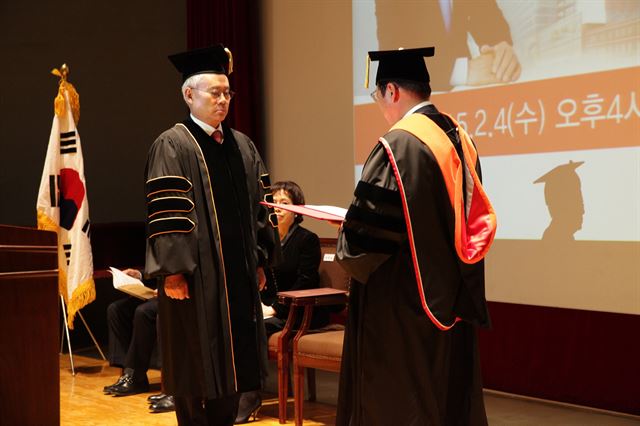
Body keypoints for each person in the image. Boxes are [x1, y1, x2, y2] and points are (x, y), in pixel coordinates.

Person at [335, 47, 497, 425]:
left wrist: (348, 231)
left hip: (401, 301)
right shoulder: (458, 135)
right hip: (447, 297)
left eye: (378, 96)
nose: (380, 106)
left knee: (401, 400)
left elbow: (365, 238)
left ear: (392, 90)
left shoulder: (400, 144)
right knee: (445, 397)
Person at [144, 44, 281, 426]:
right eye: (214, 93)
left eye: (227, 93)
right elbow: (168, 215)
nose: (223, 101)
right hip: (193, 281)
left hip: (237, 279)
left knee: (234, 369)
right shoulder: (172, 145)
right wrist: (172, 271)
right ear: (189, 94)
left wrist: (260, 260)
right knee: (194, 368)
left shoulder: (242, 146)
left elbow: (260, 208)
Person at [235, 180, 325, 423]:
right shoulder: (265, 242)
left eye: (285, 203)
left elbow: (307, 281)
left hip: (299, 310)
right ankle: (229, 395)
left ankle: (251, 398)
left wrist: (274, 307)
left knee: (255, 329)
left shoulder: (308, 240)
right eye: (273, 202)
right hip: (267, 309)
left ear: (299, 209)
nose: (277, 207)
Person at [375, 0, 521, 91]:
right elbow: (394, 57)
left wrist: (500, 50)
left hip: (467, 98)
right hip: (422, 104)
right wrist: (462, 71)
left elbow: (485, 14)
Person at [102, 268, 176, 412]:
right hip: (157, 290)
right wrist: (140, 275)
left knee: (144, 312)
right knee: (116, 310)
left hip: (174, 290)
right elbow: (160, 267)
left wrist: (163, 288)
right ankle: (131, 376)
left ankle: (137, 375)